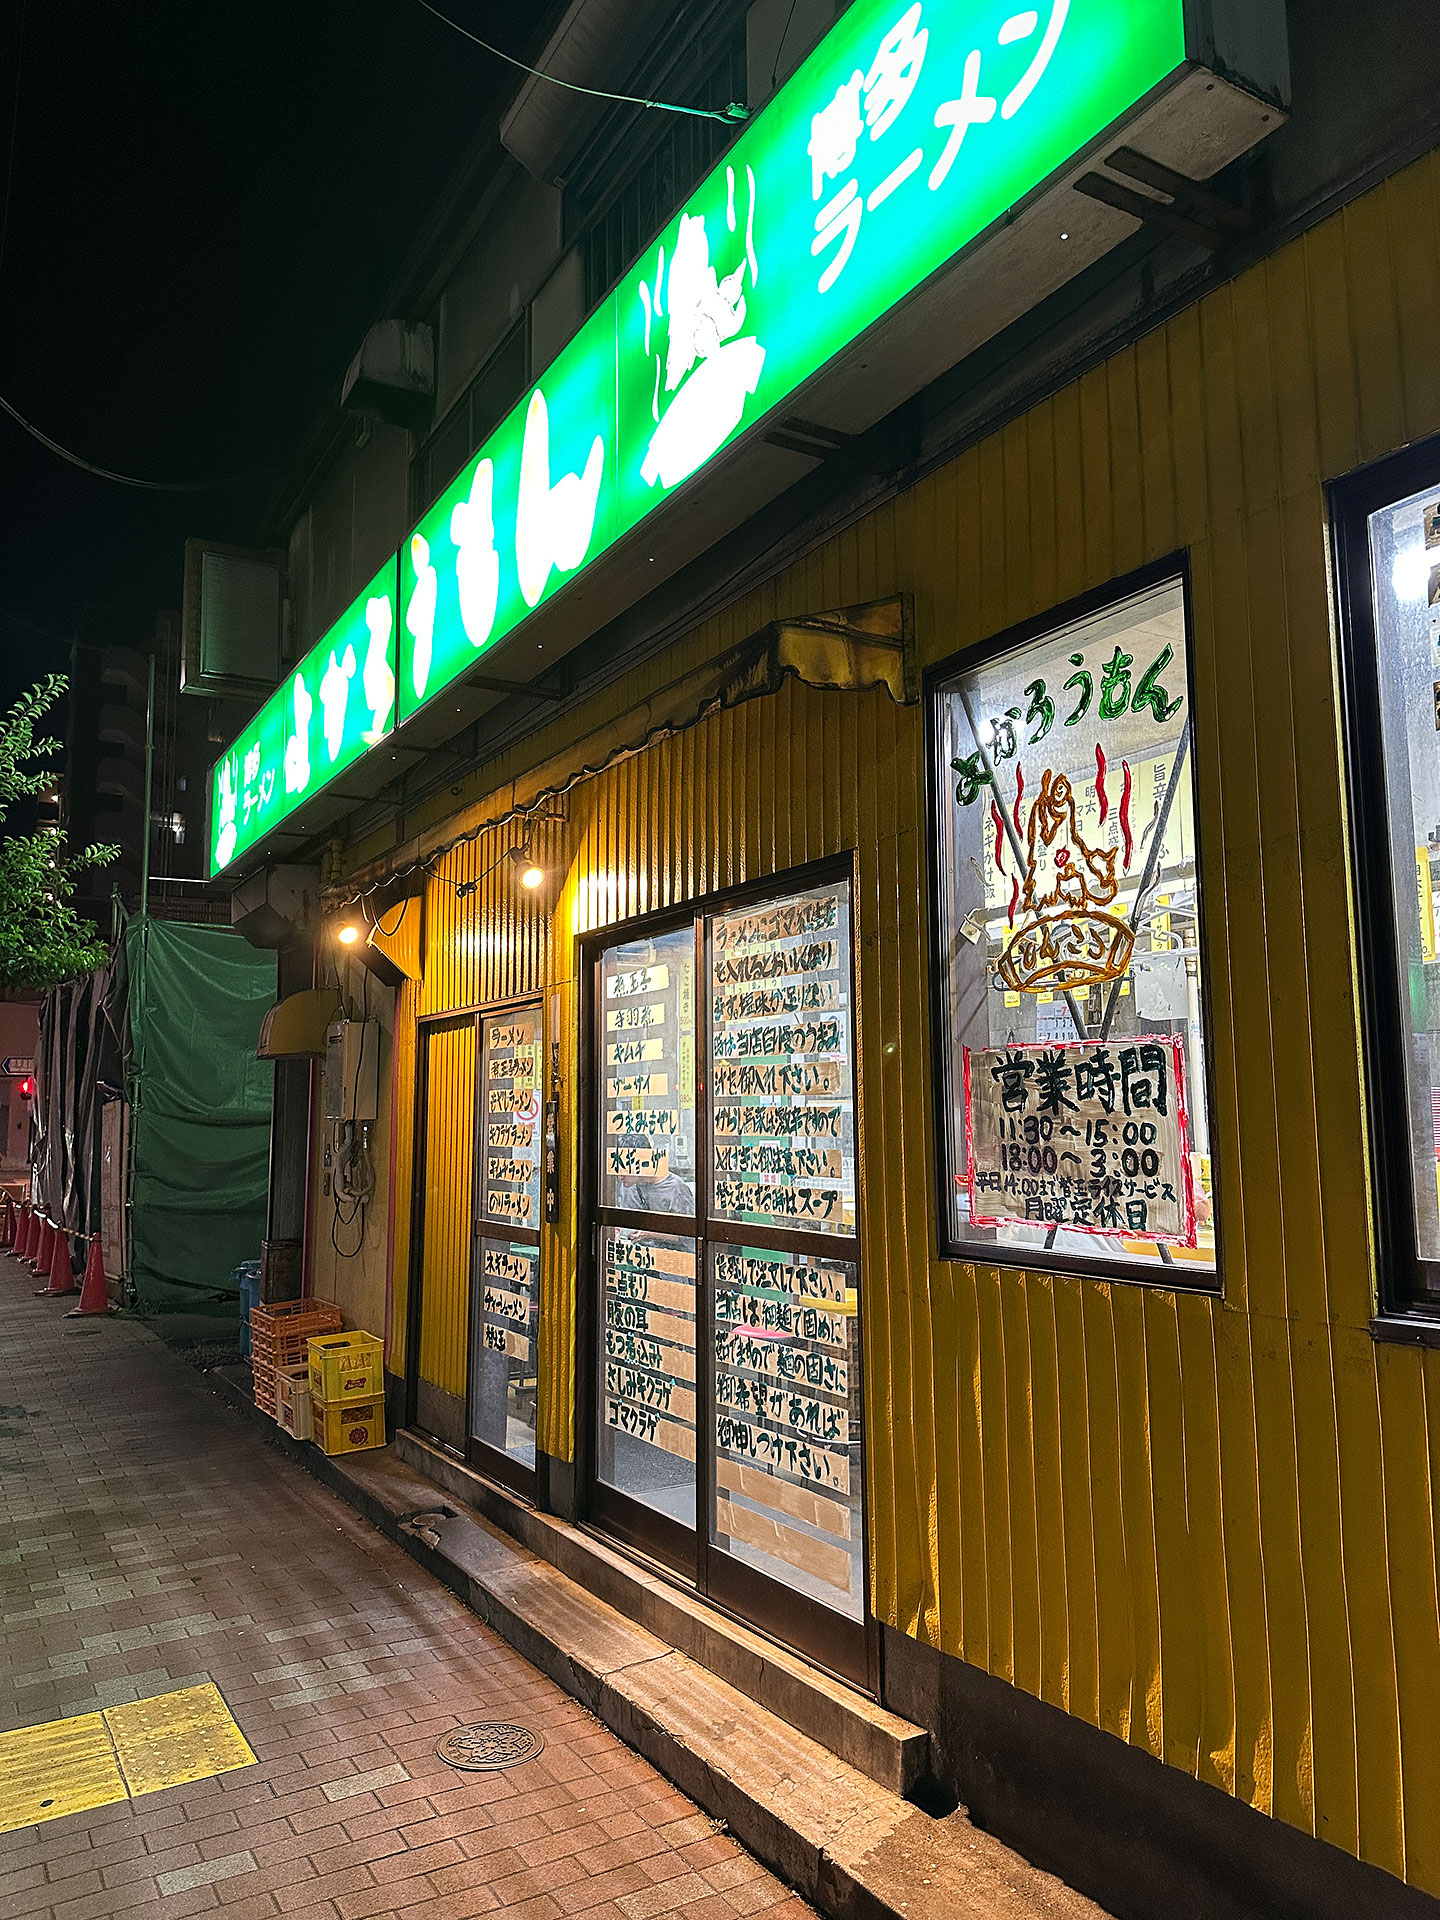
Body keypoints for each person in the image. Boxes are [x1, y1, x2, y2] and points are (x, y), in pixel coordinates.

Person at [614, 1133, 695, 1213]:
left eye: (625, 1169)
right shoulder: (629, 1185)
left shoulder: (676, 1189)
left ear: (642, 1161)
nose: (620, 1177)